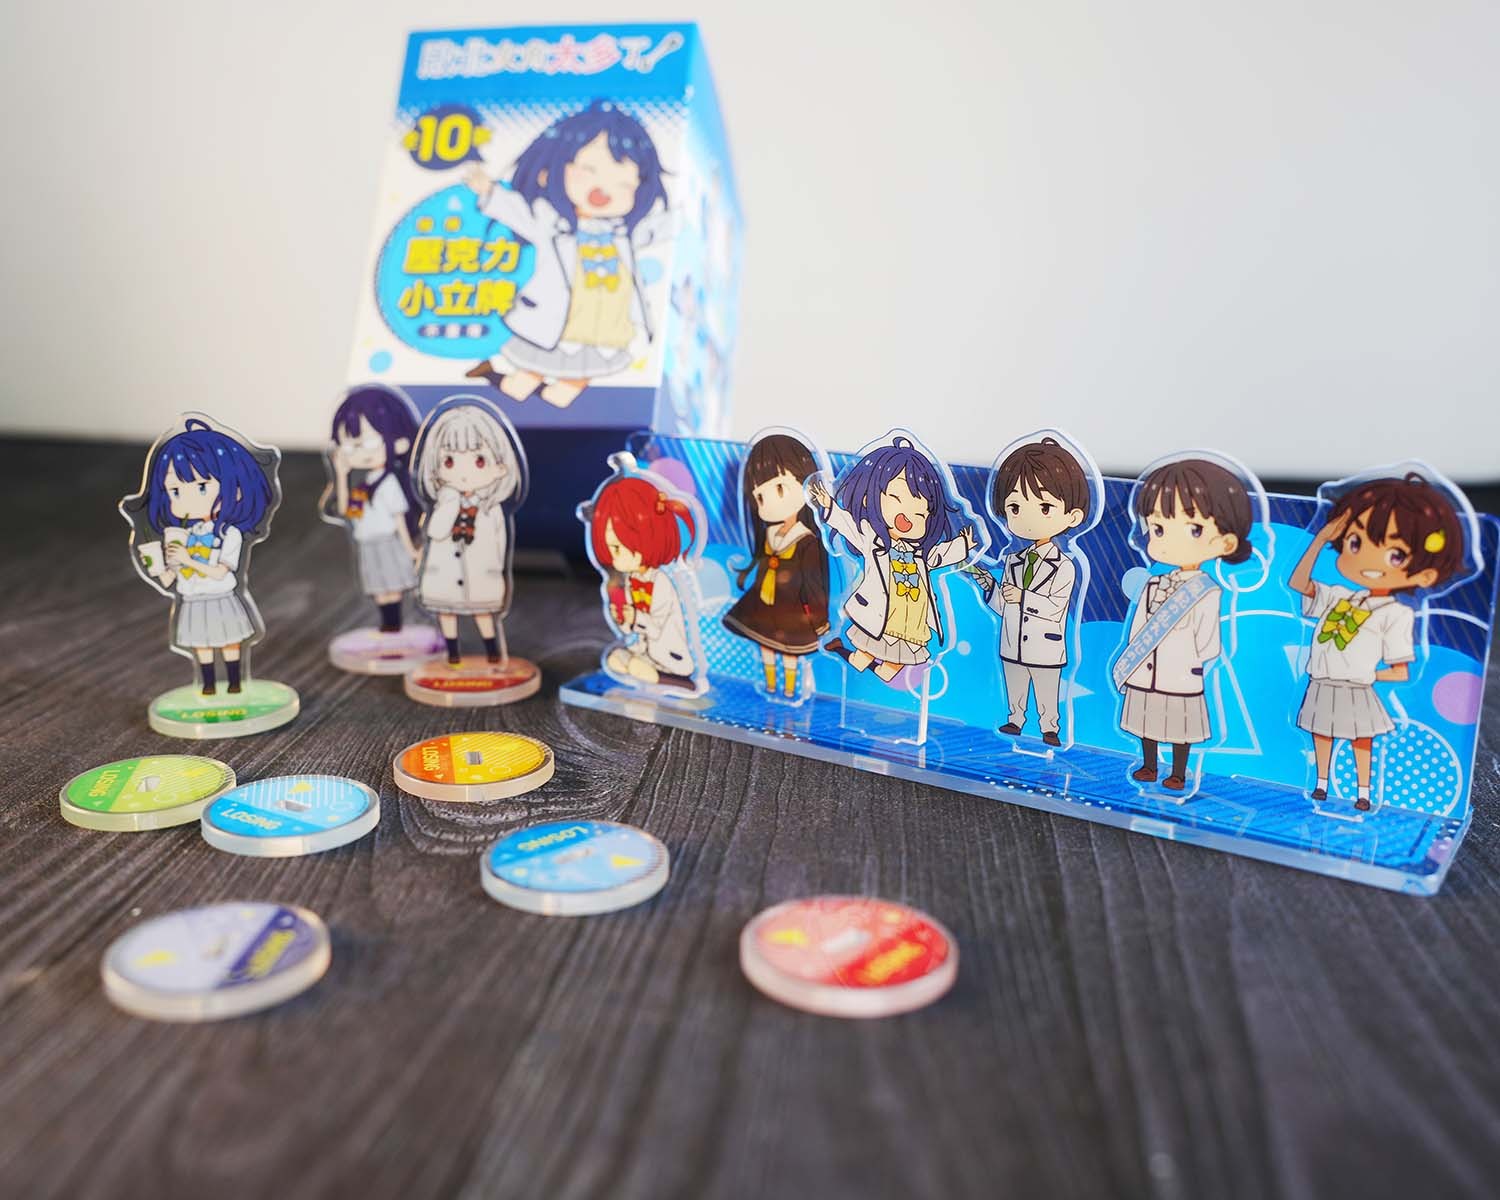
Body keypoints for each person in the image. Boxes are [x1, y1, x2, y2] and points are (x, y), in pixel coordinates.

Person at [1288, 472, 1465, 809]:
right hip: (1321, 681)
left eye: (1395, 554)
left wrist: (1368, 674)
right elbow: (1299, 583)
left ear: (1424, 573)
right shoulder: (1340, 596)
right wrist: (1320, 539)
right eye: (1355, 543)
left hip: (1357, 688)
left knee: (1361, 739)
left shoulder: (1396, 613)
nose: (1367, 560)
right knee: (1320, 732)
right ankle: (1321, 784)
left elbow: (1400, 670)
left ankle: (1364, 793)